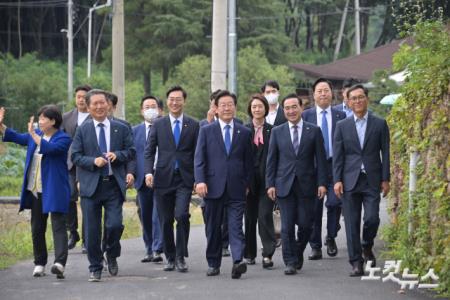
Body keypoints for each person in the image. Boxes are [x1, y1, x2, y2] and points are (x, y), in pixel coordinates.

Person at [71, 89, 135, 282]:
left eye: (102, 103)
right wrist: (93, 161)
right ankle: (95, 267)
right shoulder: (83, 129)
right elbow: (75, 156)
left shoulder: (121, 128)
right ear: (88, 107)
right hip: (91, 187)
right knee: (92, 231)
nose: (99, 107)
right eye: (94, 104)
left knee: (115, 224)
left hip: (113, 185)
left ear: (108, 104)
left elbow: (131, 151)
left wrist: (118, 156)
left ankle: (112, 253)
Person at [0, 105, 71, 279]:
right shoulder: (36, 136)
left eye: (43, 119)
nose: (39, 122)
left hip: (54, 189)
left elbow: (51, 149)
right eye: (39, 119)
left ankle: (60, 263)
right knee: (37, 228)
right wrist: (1, 126)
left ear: (53, 121)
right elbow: (16, 137)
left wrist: (33, 134)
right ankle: (40, 263)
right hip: (35, 189)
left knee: (58, 226)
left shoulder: (63, 138)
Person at [266, 94, 327, 275]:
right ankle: (290, 262)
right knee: (286, 226)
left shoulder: (313, 130)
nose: (291, 111)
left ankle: (298, 251)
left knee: (306, 224)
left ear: (301, 107)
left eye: (294, 107)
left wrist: (322, 183)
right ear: (283, 110)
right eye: (287, 108)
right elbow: (272, 160)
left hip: (307, 185)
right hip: (284, 184)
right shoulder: (277, 131)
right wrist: (270, 184)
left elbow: (321, 160)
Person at [194, 90, 253, 279]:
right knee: (213, 227)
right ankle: (213, 263)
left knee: (235, 226)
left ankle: (238, 261)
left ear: (235, 107)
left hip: (236, 187)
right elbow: (199, 159)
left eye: (230, 104)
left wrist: (247, 183)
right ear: (216, 109)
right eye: (223, 105)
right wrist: (200, 180)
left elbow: (248, 162)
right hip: (212, 187)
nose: (227, 108)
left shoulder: (244, 132)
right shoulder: (206, 130)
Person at [333, 84, 390, 276]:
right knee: (351, 222)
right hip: (349, 180)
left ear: (367, 99)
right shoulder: (342, 126)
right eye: (353, 98)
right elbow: (338, 156)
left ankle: (367, 245)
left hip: (372, 179)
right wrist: (337, 180)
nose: (357, 101)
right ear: (348, 103)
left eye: (360, 97)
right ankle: (356, 262)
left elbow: (386, 152)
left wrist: (386, 178)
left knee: (372, 218)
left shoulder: (380, 123)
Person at [144, 86, 199, 273]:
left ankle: (181, 256)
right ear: (166, 102)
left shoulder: (193, 124)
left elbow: (198, 154)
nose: (175, 102)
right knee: (165, 220)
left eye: (178, 99)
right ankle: (170, 256)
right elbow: (149, 150)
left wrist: (198, 179)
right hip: (163, 178)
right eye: (171, 99)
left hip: (184, 178)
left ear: (184, 101)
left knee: (182, 215)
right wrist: (148, 172)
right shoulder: (159, 124)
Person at [302, 78, 346, 260]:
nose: (323, 94)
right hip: (313, 166)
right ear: (314, 95)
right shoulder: (306, 116)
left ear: (331, 93)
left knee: (335, 203)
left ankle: (331, 236)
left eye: (326, 90)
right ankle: (315, 246)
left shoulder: (340, 116)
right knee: (314, 208)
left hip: (334, 165)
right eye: (319, 91)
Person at [243, 94, 276, 268]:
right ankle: (249, 253)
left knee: (264, 216)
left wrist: (274, 183)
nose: (257, 109)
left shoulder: (273, 130)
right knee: (249, 218)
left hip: (267, 182)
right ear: (250, 109)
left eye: (260, 106)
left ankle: (268, 254)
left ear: (265, 108)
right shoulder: (243, 129)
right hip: (248, 182)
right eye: (254, 106)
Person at [132, 95, 164, 263]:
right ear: (141, 111)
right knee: (145, 214)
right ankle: (148, 248)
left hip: (162, 177)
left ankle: (158, 248)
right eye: (147, 107)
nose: (150, 109)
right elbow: (132, 155)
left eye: (154, 106)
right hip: (142, 179)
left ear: (160, 110)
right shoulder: (134, 131)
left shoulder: (165, 128)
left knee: (157, 214)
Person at [61, 84, 92, 252]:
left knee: (88, 202)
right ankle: (73, 232)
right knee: (68, 198)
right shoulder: (66, 117)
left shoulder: (96, 116)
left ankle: (88, 239)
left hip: (88, 166)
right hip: (70, 165)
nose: (81, 99)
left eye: (84, 96)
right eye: (78, 96)